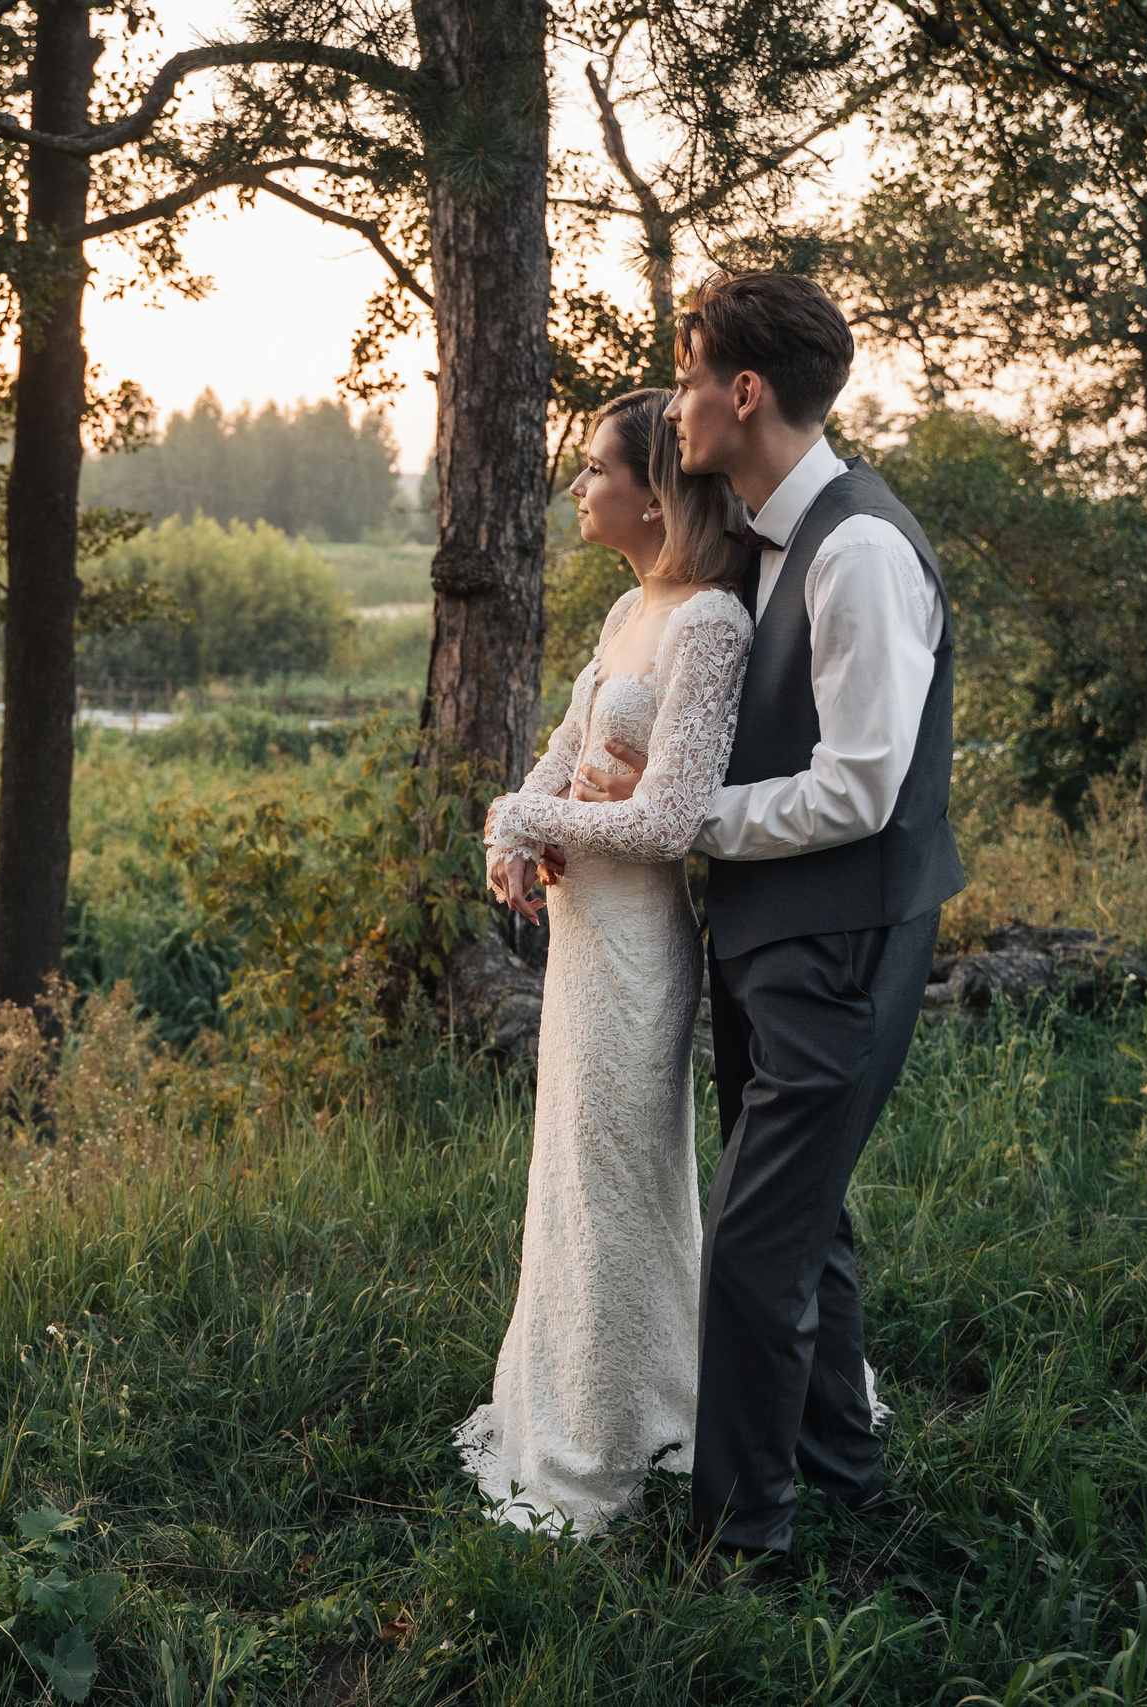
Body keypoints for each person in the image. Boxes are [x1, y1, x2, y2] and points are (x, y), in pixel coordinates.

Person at [572, 273, 961, 1581]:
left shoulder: (858, 550)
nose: (672, 407)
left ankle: (746, 1543)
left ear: (744, 393)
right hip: (777, 940)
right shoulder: (771, 539)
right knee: (805, 1228)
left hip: (839, 942)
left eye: (687, 381)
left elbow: (862, 783)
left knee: (751, 1244)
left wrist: (690, 819)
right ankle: (847, 1479)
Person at [452, 386, 754, 1537]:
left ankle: (621, 1437)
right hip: (579, 944)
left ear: (653, 489)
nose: (575, 488)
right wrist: (509, 824)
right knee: (570, 1178)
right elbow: (562, 757)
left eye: (592, 469)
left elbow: (673, 818)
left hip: (638, 946)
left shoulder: (707, 624)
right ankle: (576, 1402)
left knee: (622, 1179)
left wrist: (556, 824)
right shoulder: (629, 611)